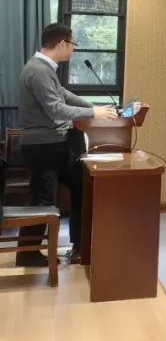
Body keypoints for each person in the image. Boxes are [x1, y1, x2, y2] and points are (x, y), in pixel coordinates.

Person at [16, 23, 117, 266]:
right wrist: (92, 113)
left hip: (52, 144)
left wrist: (94, 108)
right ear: (62, 43)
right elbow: (55, 109)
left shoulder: (44, 67)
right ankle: (27, 254)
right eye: (72, 44)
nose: (73, 49)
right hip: (43, 146)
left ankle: (80, 245)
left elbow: (63, 94)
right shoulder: (38, 70)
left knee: (80, 185)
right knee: (43, 199)